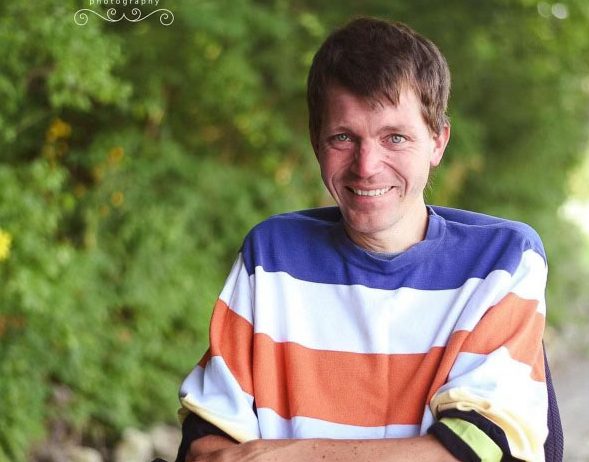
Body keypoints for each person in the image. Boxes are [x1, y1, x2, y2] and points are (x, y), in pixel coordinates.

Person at [174, 16, 562, 462]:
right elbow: (208, 443)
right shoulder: (271, 257)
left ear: (438, 141)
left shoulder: (503, 262)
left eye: (394, 137)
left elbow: (475, 450)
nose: (366, 166)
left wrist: (282, 455)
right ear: (316, 142)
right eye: (343, 137)